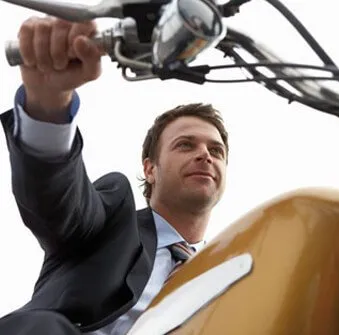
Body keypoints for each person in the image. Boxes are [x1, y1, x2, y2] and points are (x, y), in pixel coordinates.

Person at [0, 16, 229, 334]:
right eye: (185, 145)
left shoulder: (231, 271)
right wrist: (48, 105)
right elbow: (57, 202)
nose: (205, 155)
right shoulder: (111, 220)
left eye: (216, 151)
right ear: (150, 169)